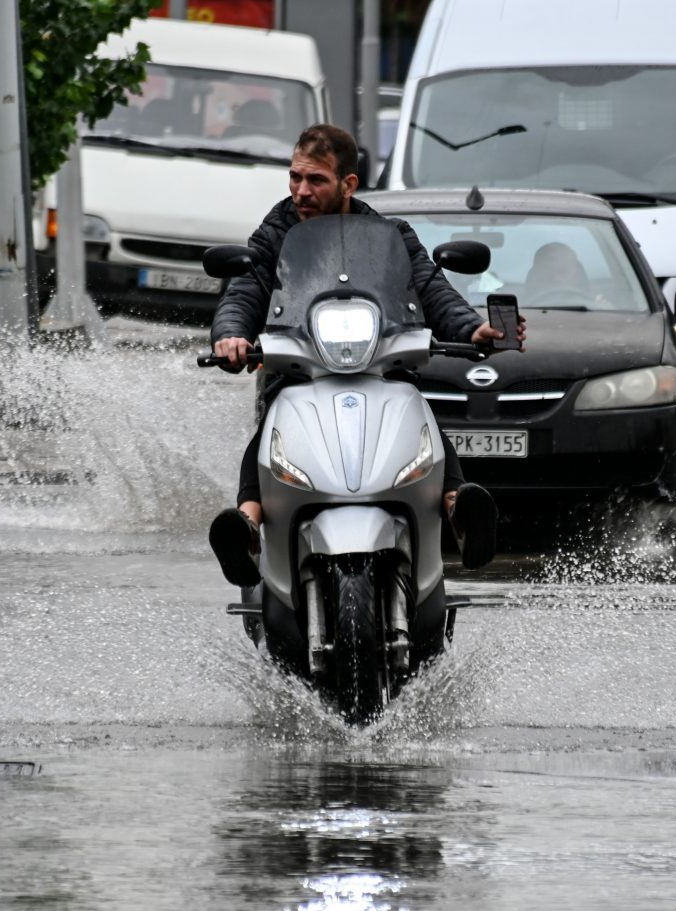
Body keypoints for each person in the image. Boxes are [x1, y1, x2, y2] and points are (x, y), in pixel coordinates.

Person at [208, 123, 525, 588]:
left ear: (348, 184)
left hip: (379, 368)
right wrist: (231, 336)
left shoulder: (388, 235)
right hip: (299, 372)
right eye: (295, 177)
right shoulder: (273, 235)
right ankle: (248, 526)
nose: (301, 190)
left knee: (422, 422)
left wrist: (473, 327)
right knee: (269, 437)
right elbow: (244, 291)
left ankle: (459, 509)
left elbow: (432, 289)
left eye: (315, 180)